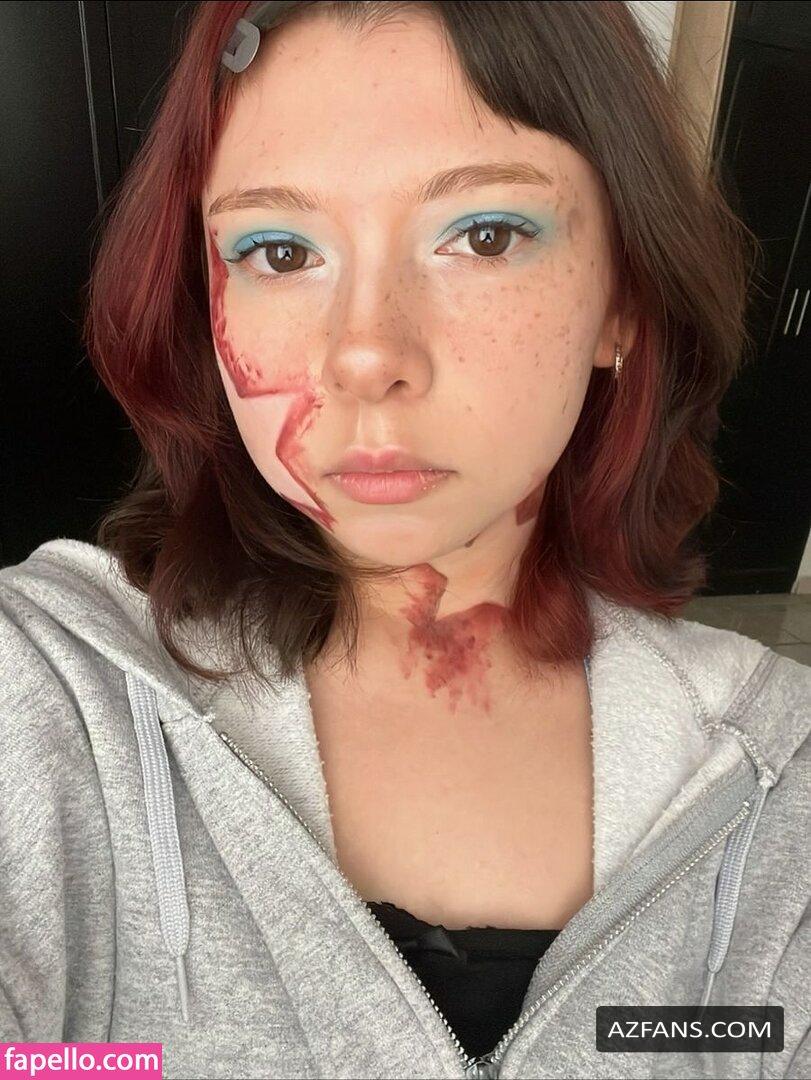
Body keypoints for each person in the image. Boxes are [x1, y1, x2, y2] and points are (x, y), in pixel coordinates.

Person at [1, 2, 808, 1078]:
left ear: (624, 297)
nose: (365, 354)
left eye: (484, 235)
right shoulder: (46, 692)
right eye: (279, 249)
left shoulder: (776, 774)